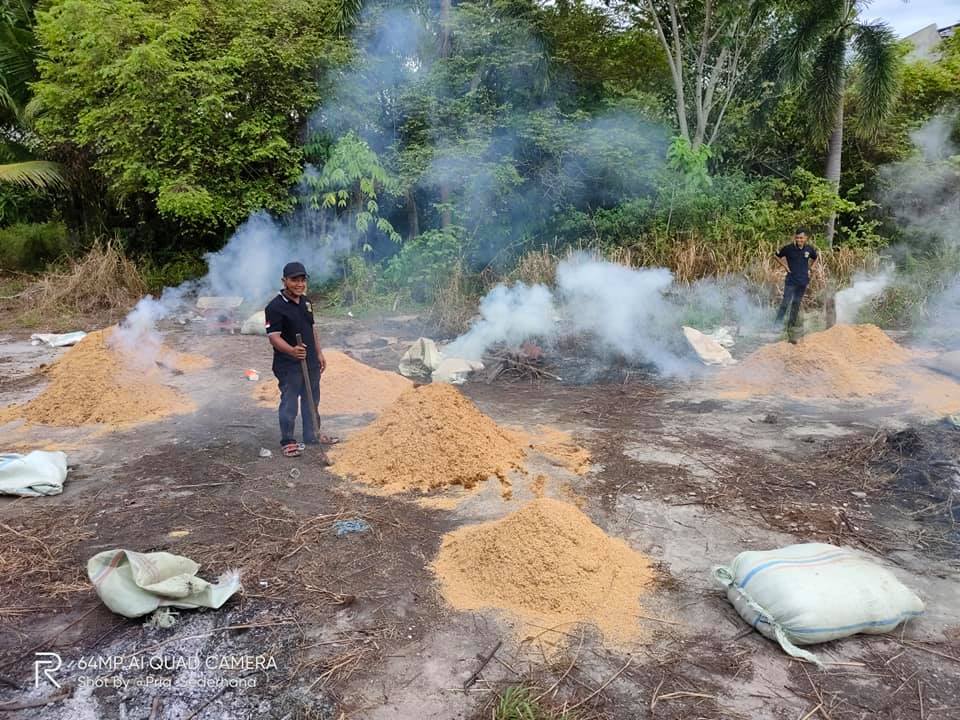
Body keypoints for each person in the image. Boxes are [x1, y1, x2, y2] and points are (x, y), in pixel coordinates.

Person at [264, 262, 338, 459]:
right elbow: (274, 337)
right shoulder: (274, 307)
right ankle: (288, 441)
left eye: (302, 280)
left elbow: (311, 329)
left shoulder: (306, 302)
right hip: (288, 364)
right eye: (294, 280)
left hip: (310, 361)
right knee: (289, 401)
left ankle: (312, 434)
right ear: (284, 281)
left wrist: (319, 353)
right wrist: (292, 350)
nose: (299, 284)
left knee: (312, 399)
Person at [774, 229, 819, 341]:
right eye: (797, 237)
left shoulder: (809, 249)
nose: (799, 240)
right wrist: (785, 266)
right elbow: (776, 256)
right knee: (785, 302)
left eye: (801, 238)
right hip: (791, 280)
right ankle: (776, 325)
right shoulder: (788, 248)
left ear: (806, 238)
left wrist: (812, 267)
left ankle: (790, 326)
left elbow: (816, 257)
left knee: (796, 304)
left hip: (803, 281)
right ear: (795, 237)